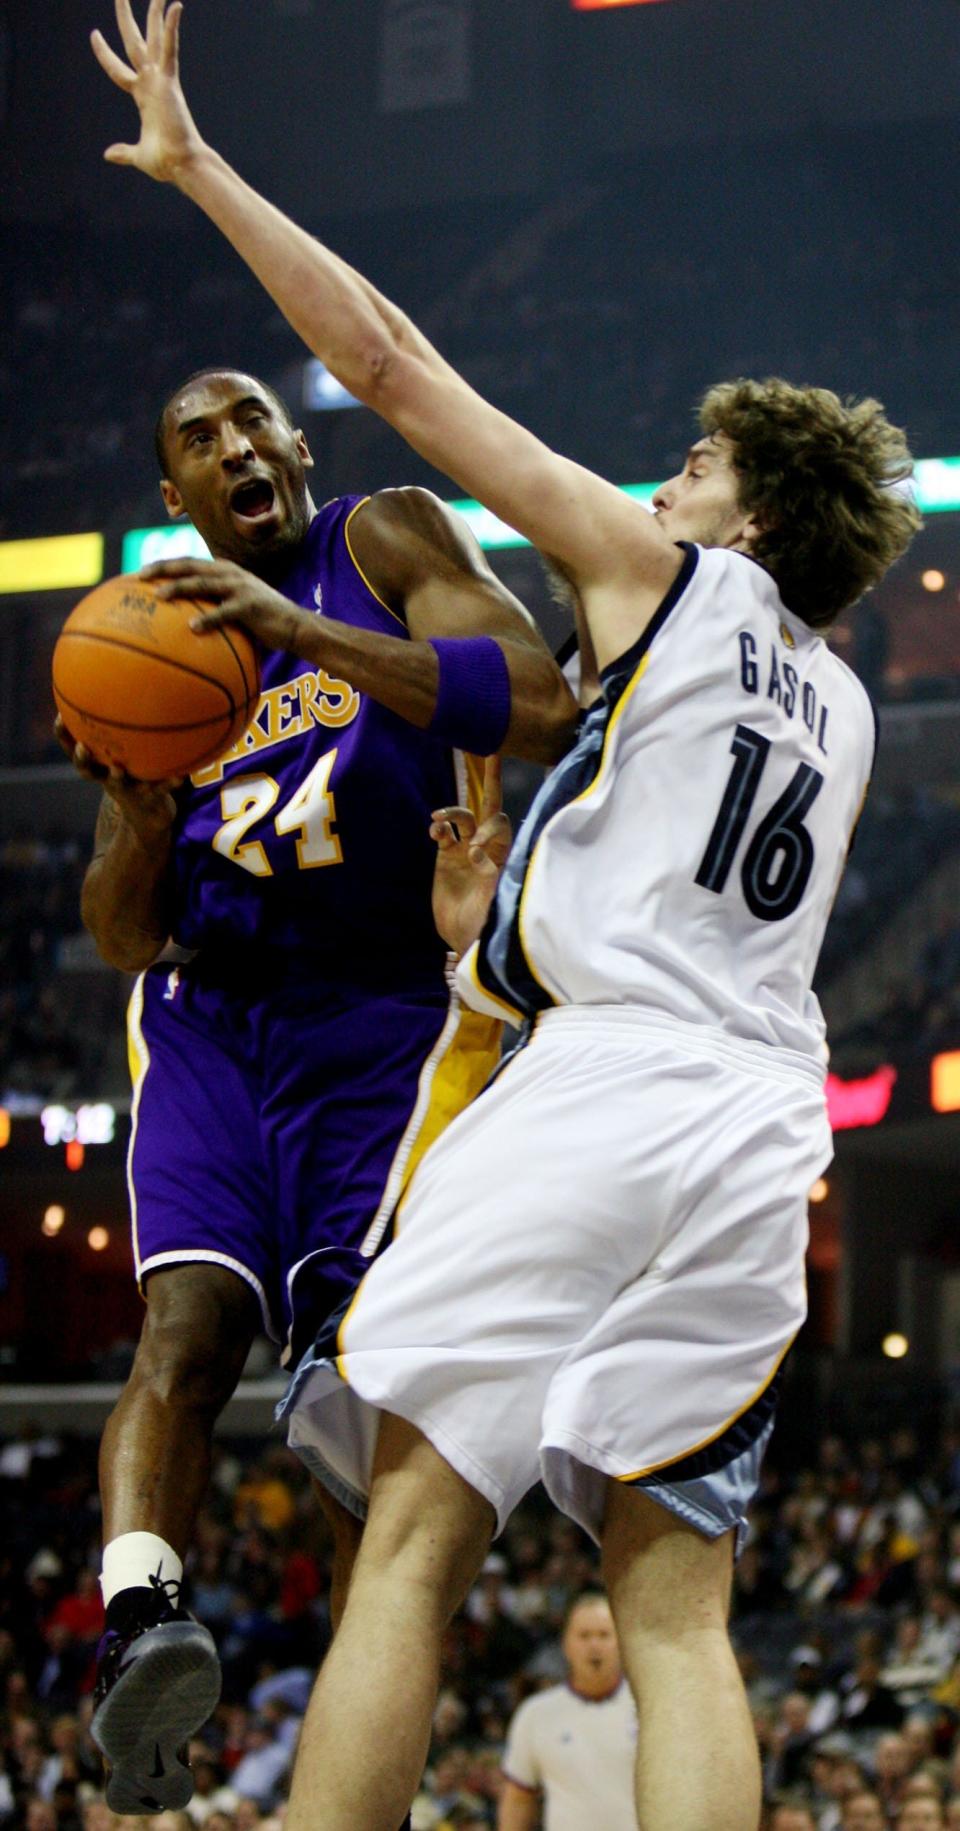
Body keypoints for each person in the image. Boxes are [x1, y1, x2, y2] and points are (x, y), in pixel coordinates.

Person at [90, 3, 923, 1828]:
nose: (660, 486)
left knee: (412, 1526)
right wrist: (487, 929)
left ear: (755, 514)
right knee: (678, 1606)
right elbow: (680, 878)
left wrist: (199, 163)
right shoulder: (846, 709)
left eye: (696, 469)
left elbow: (388, 362)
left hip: (609, 1087)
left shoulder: (671, 583)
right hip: (759, 1121)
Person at [67, 79, 575, 1825]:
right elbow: (120, 932)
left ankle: (384, 1752)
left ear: (296, 445)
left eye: (258, 421)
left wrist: (314, 641)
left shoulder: (377, 543)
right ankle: (143, 1626)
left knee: (378, 1399)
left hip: (377, 1018)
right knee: (179, 1344)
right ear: (175, 486)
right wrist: (138, 816)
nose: (242, 447)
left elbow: (545, 689)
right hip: (212, 1029)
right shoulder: (144, 644)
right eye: (204, 436)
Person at [497, 1592, 637, 1831]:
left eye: (604, 1635)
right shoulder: (536, 1713)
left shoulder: (647, 1708)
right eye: (584, 1636)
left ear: (622, 1641)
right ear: (566, 1644)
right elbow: (518, 1800)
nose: (594, 1645)